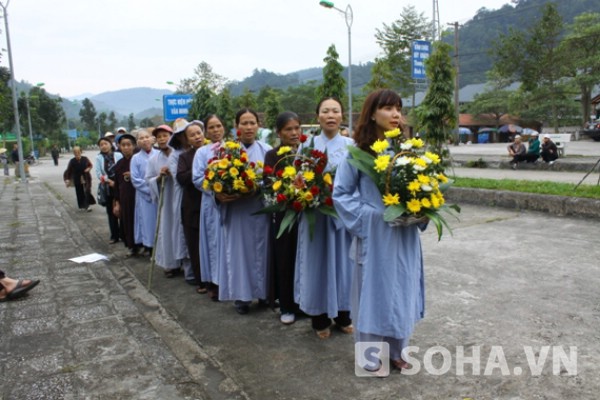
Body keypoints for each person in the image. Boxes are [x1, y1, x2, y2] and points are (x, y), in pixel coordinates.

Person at [333, 88, 426, 371]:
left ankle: (398, 350)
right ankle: (370, 355)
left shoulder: (408, 150)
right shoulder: (358, 153)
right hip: (374, 236)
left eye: (398, 108)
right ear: (372, 113)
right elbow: (341, 194)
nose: (395, 114)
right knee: (373, 292)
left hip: (404, 234)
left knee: (402, 288)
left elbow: (422, 187)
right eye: (387, 108)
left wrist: (420, 210)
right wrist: (372, 218)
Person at [294, 97, 354, 339]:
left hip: (344, 217)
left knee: (344, 263)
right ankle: (319, 317)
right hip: (316, 217)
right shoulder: (307, 145)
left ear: (342, 116)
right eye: (325, 111)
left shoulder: (352, 144)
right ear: (317, 116)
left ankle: (343, 313)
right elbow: (297, 177)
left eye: (336, 111)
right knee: (317, 263)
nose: (331, 115)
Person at [215, 108, 272, 314]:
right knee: (240, 253)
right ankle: (242, 296)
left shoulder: (267, 150)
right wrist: (220, 194)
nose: (248, 127)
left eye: (252, 123)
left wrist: (257, 188)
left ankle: (265, 294)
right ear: (236, 126)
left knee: (263, 252)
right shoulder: (226, 152)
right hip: (237, 211)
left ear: (258, 125)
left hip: (260, 209)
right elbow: (215, 181)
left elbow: (274, 182)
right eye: (244, 123)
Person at [263, 111, 302, 324]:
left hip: (307, 215)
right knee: (285, 260)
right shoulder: (273, 155)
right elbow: (269, 185)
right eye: (288, 129)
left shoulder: (308, 151)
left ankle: (305, 304)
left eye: (297, 128)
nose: (294, 133)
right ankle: (287, 305)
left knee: (304, 260)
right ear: (279, 133)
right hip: (284, 216)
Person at [192, 114, 226, 301]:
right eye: (211, 127)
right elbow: (197, 178)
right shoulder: (202, 153)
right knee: (213, 243)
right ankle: (215, 283)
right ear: (206, 131)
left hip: (231, 204)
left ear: (224, 128)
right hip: (211, 203)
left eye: (218, 126)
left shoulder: (233, 148)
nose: (215, 130)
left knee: (229, 244)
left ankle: (231, 282)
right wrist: (216, 189)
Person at [145, 124, 180, 277]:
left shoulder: (179, 154)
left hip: (179, 197)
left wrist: (174, 173)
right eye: (159, 137)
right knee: (166, 229)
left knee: (180, 230)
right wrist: (159, 177)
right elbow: (148, 179)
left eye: (165, 135)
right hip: (165, 199)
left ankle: (183, 261)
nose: (162, 139)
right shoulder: (153, 160)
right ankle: (170, 264)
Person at [176, 120, 206, 294]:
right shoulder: (184, 157)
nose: (197, 136)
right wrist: (199, 171)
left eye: (199, 133)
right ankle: (200, 280)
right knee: (195, 246)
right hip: (192, 207)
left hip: (211, 205)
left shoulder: (214, 152)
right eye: (192, 135)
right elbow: (181, 178)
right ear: (187, 140)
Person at [130, 128, 159, 256]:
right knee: (147, 222)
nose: (144, 140)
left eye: (147, 137)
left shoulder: (159, 155)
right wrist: (150, 190)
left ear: (152, 139)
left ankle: (160, 247)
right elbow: (135, 180)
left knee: (159, 222)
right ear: (137, 142)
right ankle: (149, 246)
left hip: (159, 195)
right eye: (141, 138)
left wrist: (156, 189)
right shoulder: (135, 158)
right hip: (144, 197)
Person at [112, 133, 141, 258]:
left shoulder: (138, 161)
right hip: (125, 198)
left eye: (129, 145)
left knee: (139, 221)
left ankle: (143, 245)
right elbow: (117, 185)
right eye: (123, 145)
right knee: (127, 223)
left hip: (138, 197)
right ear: (119, 146)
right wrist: (117, 203)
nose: (126, 148)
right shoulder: (118, 165)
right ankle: (131, 247)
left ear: (134, 146)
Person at [95, 137, 123, 244]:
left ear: (111, 144)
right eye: (101, 145)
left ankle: (123, 234)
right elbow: (98, 173)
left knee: (122, 210)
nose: (104, 146)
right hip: (108, 188)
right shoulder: (99, 158)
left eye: (105, 143)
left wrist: (117, 182)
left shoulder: (118, 155)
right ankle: (114, 236)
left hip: (119, 186)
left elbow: (122, 168)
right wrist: (108, 181)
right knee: (111, 212)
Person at [63, 146, 95, 212]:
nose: (77, 154)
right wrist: (67, 179)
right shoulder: (72, 161)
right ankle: (81, 205)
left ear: (81, 152)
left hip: (86, 177)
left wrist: (88, 169)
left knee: (87, 191)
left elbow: (90, 165)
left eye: (78, 152)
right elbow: (69, 171)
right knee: (79, 192)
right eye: (75, 152)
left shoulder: (85, 159)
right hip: (77, 178)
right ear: (73, 153)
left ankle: (87, 205)